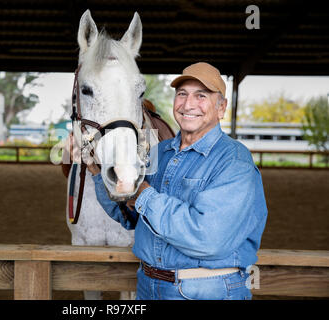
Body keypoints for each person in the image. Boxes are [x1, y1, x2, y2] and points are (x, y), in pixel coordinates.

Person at [87, 62, 268, 300]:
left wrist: (143, 195)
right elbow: (130, 218)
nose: (188, 104)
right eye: (182, 94)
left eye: (201, 96)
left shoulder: (234, 161)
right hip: (148, 286)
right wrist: (97, 172)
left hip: (203, 291)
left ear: (221, 108)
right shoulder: (159, 153)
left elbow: (207, 237)